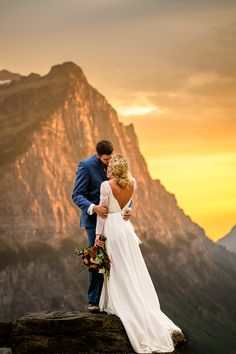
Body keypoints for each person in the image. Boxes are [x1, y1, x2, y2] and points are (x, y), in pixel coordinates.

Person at [95, 154, 185, 353]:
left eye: (110, 165)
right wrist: (127, 212)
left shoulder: (105, 185)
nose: (107, 168)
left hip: (112, 228)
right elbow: (127, 208)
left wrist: (98, 236)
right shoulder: (132, 183)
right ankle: (137, 301)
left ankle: (120, 302)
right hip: (126, 229)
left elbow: (102, 212)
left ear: (113, 168)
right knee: (130, 267)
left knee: (116, 266)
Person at [72, 140, 131, 312]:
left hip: (116, 221)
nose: (109, 163)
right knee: (97, 259)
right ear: (98, 155)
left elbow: (124, 188)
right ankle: (94, 302)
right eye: (106, 160)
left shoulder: (115, 164)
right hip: (93, 222)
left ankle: (117, 299)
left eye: (111, 159)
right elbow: (77, 194)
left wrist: (129, 209)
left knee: (117, 258)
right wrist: (93, 208)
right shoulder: (85, 166)